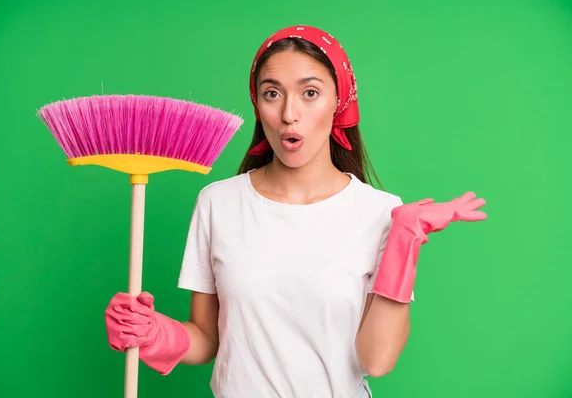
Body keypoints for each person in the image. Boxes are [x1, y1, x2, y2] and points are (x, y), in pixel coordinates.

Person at [104, 25, 487, 398]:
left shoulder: (380, 212)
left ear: (338, 101)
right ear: (257, 104)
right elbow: (207, 338)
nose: (290, 114)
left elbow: (377, 360)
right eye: (273, 93)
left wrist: (406, 239)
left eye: (310, 92)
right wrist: (153, 333)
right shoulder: (217, 203)